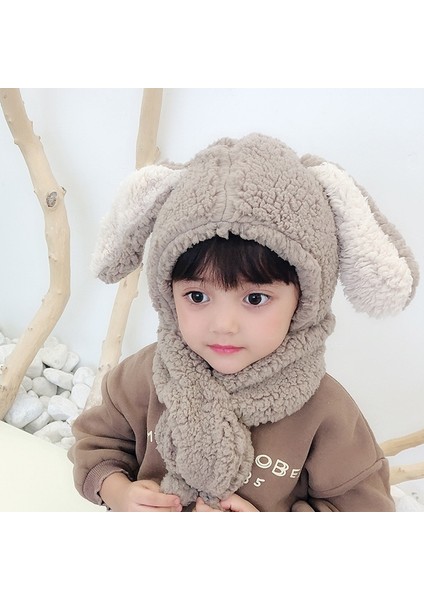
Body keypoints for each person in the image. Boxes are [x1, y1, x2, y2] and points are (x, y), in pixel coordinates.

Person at [69, 133, 419, 511]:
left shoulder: (327, 412)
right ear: (167, 293)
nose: (224, 324)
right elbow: (96, 444)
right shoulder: (144, 375)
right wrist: (118, 492)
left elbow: (366, 511)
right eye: (197, 296)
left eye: (255, 299)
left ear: (306, 300)